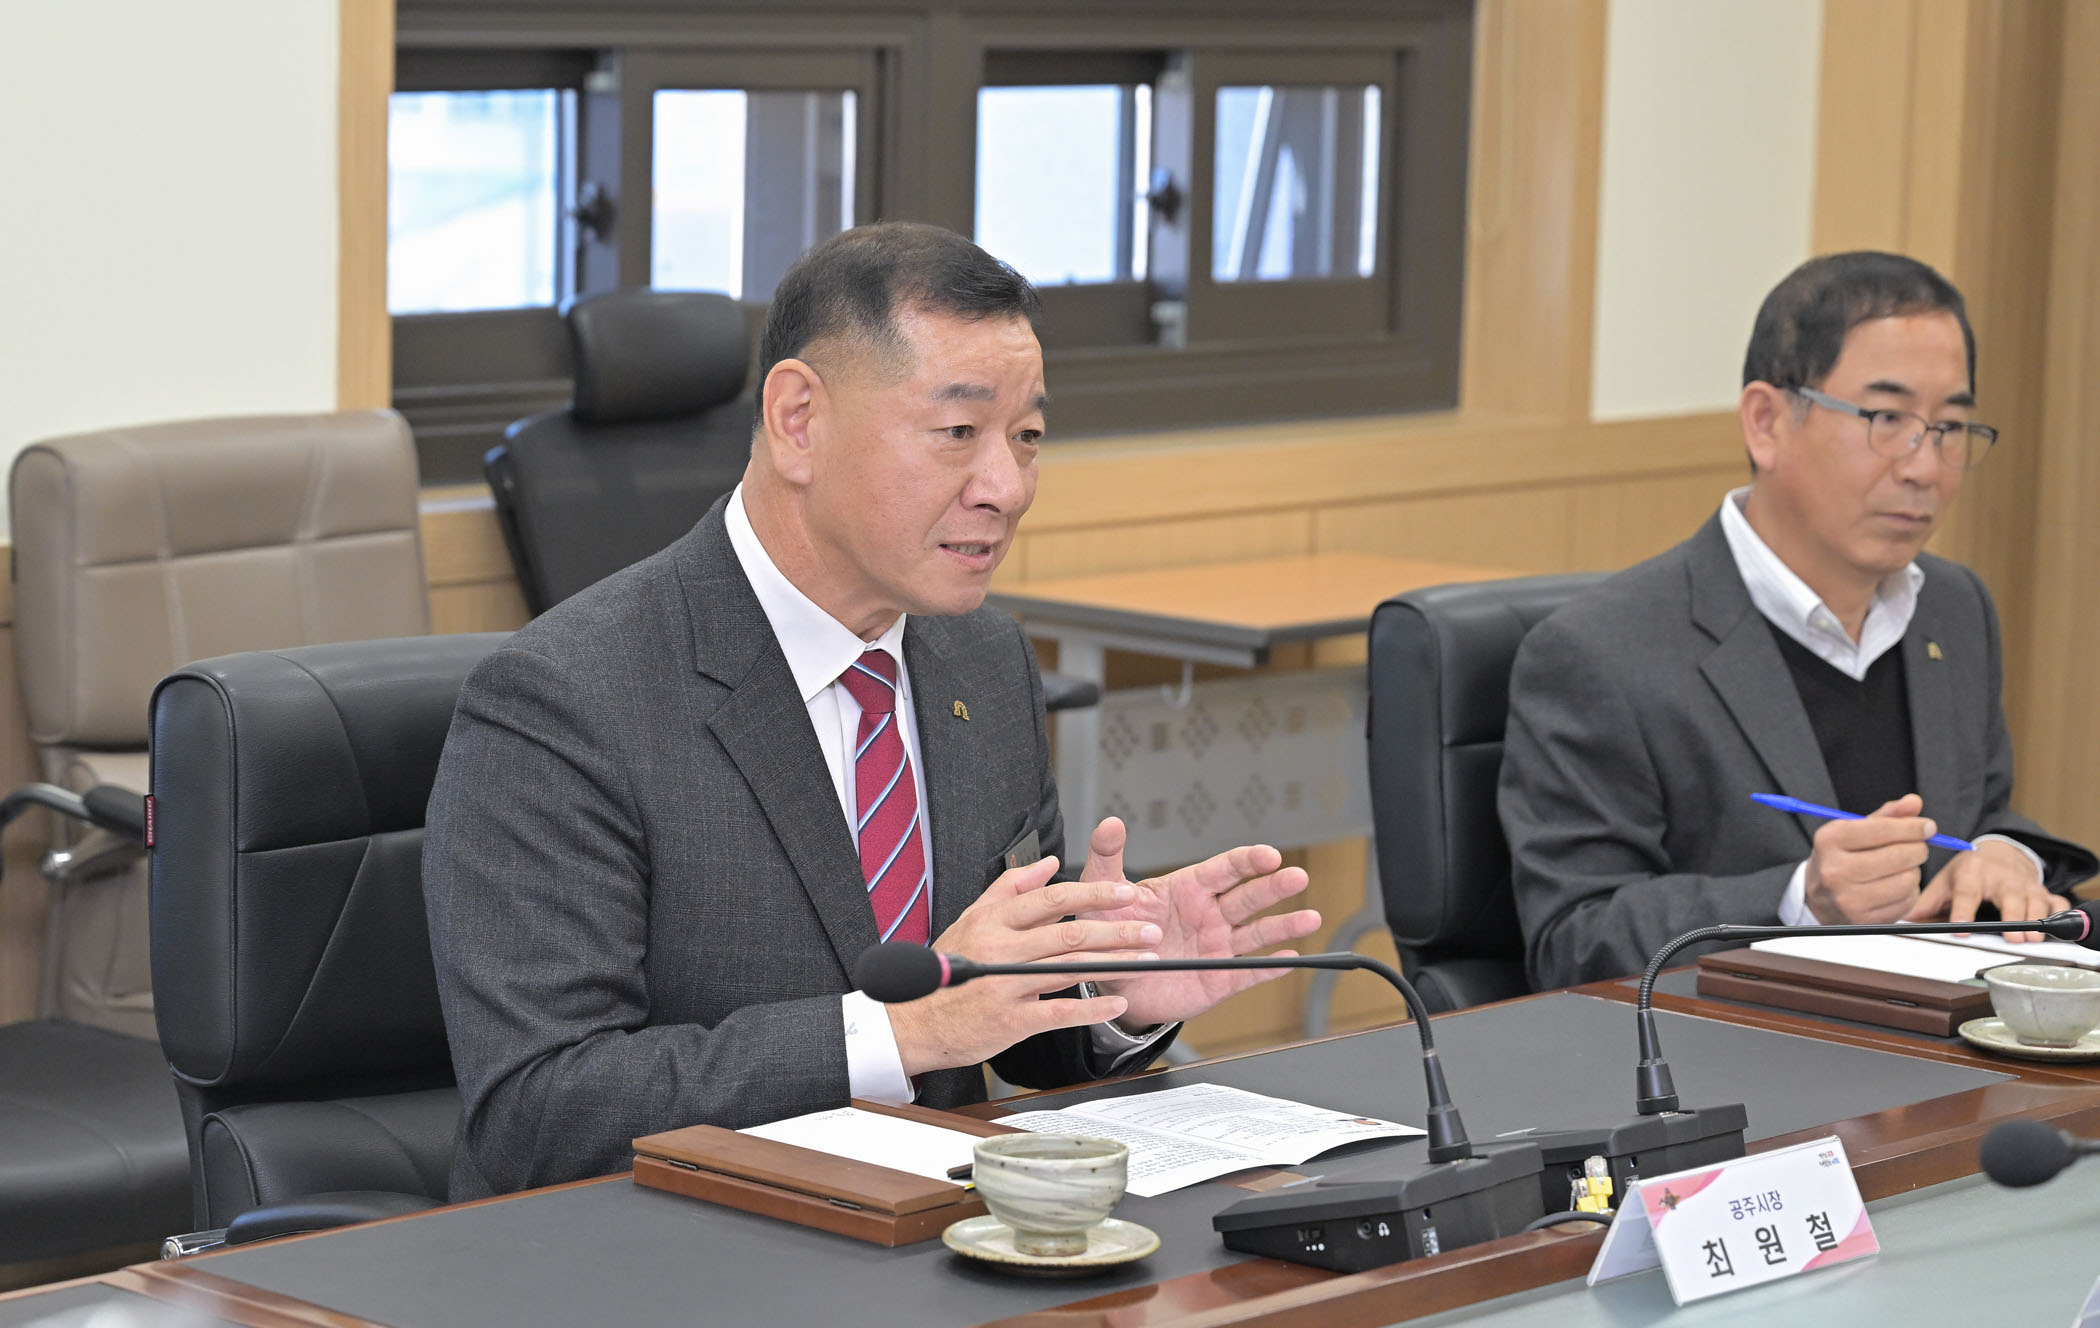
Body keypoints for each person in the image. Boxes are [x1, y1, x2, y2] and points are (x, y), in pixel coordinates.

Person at [425, 223, 1323, 1199]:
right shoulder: (564, 702)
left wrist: (1112, 992)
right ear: (799, 419)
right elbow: (540, 1113)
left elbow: (996, 1031)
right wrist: (902, 1031)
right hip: (673, 1261)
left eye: (1027, 438)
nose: (1006, 488)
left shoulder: (983, 660)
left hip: (940, 1238)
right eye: (957, 433)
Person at [1499, 250, 2097, 988]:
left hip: (1937, 1035)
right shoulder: (1600, 652)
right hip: (1740, 1051)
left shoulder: (1954, 608)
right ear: (1767, 423)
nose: (1924, 467)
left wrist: (2006, 855)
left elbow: (1983, 816)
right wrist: (1798, 902)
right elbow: (1573, 942)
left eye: (1950, 427)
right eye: (1887, 419)